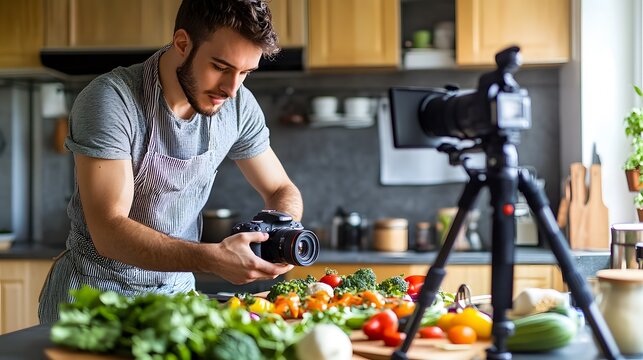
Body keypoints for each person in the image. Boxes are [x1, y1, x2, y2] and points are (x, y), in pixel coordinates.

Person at [38, 0, 302, 323]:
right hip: (93, 301)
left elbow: (280, 188)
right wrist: (212, 258)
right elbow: (109, 230)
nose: (232, 89)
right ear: (182, 43)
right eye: (220, 67)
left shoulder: (238, 106)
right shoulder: (111, 100)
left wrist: (280, 233)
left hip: (176, 300)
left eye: (245, 73)